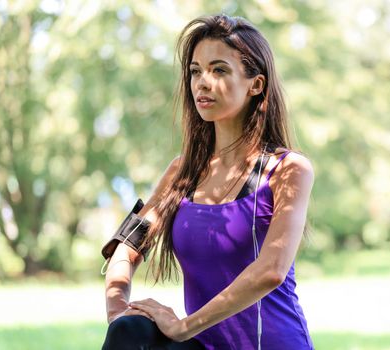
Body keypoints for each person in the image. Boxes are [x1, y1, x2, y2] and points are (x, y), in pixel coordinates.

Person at [101, 13, 315, 350]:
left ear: (255, 84)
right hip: (202, 345)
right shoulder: (182, 173)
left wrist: (184, 326)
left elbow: (271, 270)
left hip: (271, 344)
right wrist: (120, 314)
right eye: (195, 71)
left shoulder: (288, 170)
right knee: (130, 332)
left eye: (219, 70)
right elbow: (126, 248)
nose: (203, 82)